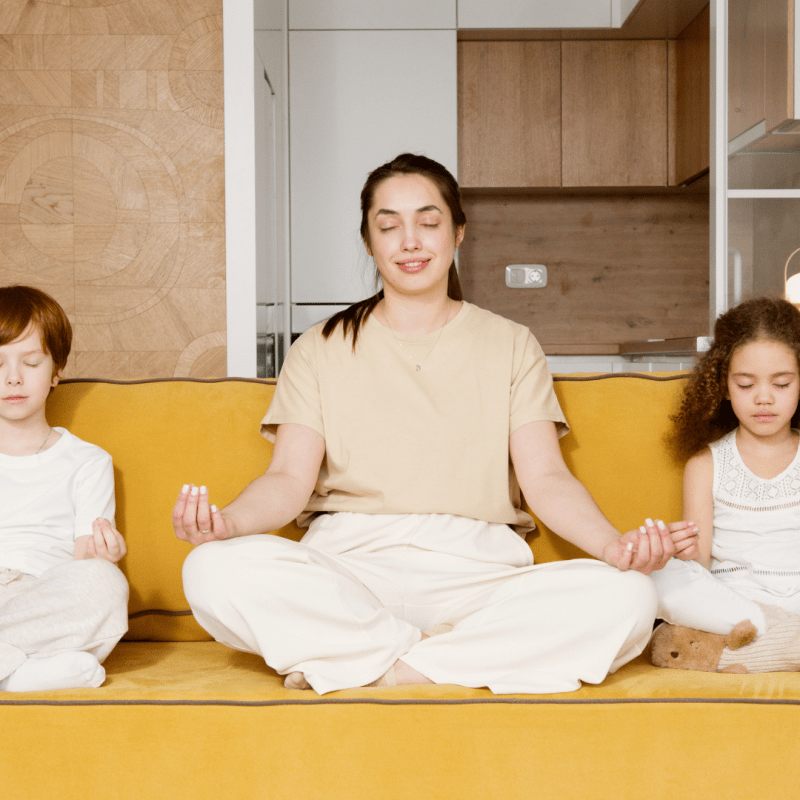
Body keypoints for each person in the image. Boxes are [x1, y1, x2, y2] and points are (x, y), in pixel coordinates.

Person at [175, 153, 697, 695]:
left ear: (458, 233)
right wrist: (228, 524)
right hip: (348, 571)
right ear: (368, 241)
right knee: (209, 568)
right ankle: (448, 659)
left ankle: (382, 667)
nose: (410, 242)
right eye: (389, 227)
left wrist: (613, 548)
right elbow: (287, 478)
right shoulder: (319, 346)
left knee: (631, 596)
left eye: (428, 222)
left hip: (478, 574)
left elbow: (546, 479)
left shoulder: (512, 344)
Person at [652, 297, 800, 669]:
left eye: (782, 384)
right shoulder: (705, 465)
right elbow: (698, 570)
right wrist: (684, 554)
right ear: (723, 385)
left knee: (682, 641)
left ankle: (755, 652)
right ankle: (777, 645)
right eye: (746, 384)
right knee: (660, 582)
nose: (764, 398)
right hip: (737, 608)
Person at [0, 285, 128, 692]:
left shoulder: (88, 461)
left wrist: (102, 557)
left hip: (46, 596)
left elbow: (83, 562)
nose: (13, 377)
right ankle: (19, 676)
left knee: (105, 583)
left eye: (31, 362)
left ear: (56, 371)